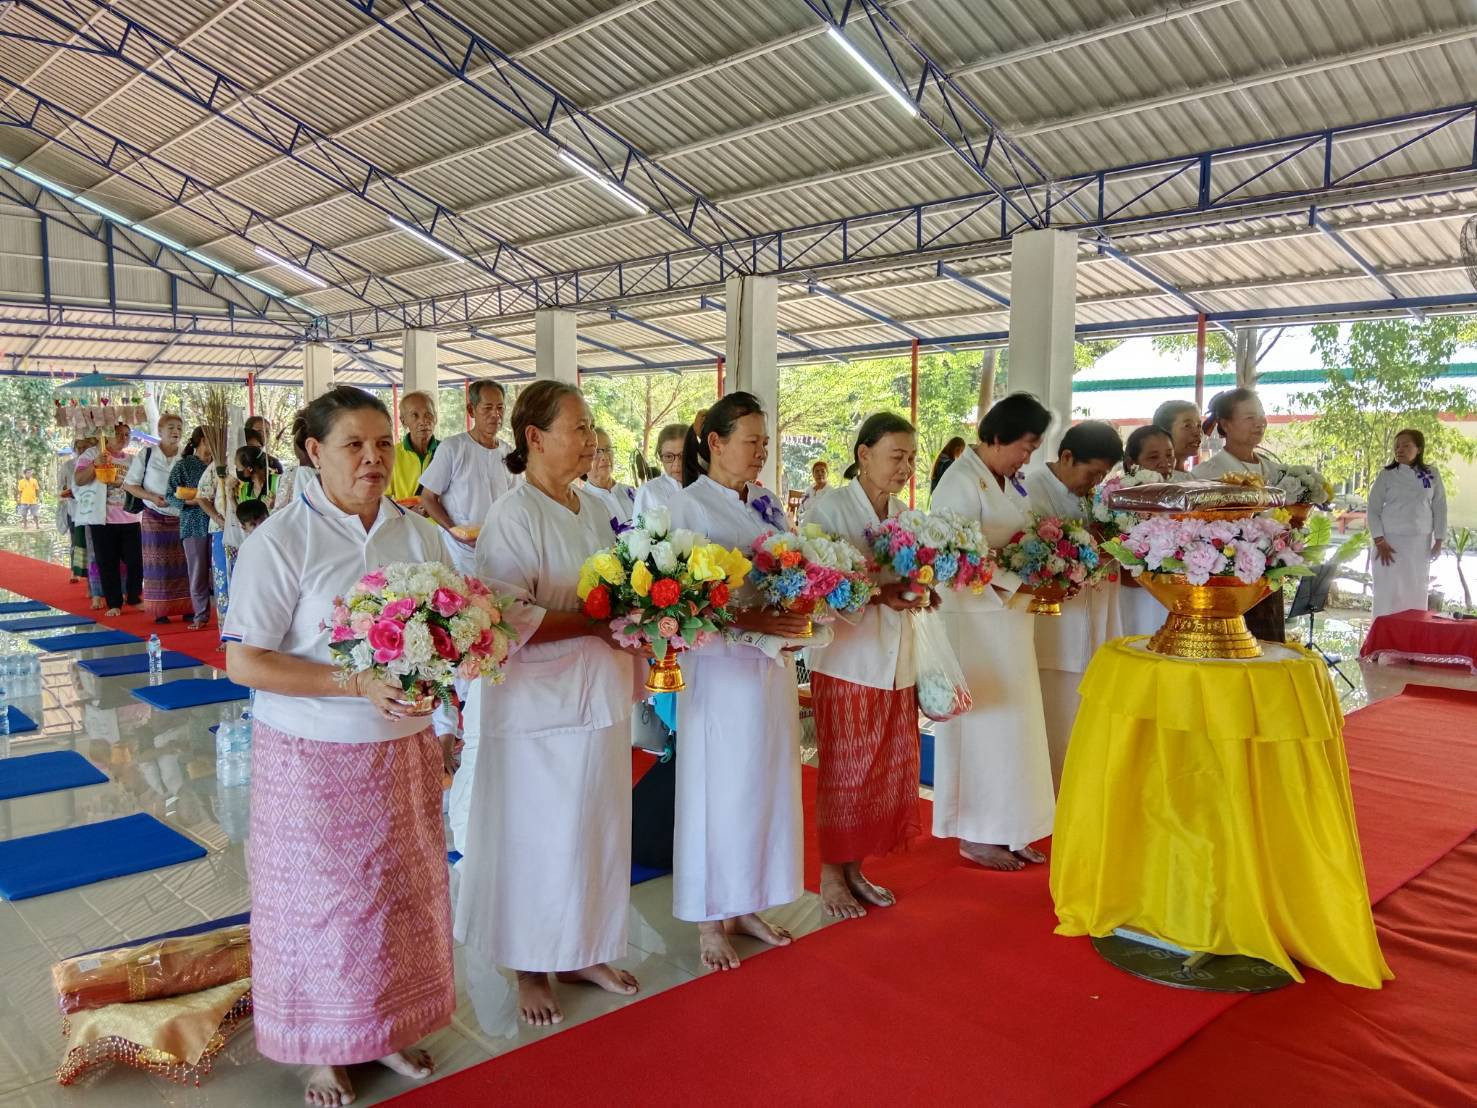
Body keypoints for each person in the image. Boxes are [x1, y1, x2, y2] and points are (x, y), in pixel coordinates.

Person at [223, 386, 457, 1107]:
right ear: (314, 453)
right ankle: (323, 1050)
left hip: (404, 745)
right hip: (312, 752)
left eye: (383, 444)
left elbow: (442, 637)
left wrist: (447, 719)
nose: (373, 458)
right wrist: (352, 685)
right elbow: (245, 661)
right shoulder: (282, 541)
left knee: (398, 891)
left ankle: (385, 1027)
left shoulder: (415, 534)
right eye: (354, 444)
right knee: (324, 902)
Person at [454, 380, 641, 1027]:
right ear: (533, 437)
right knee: (539, 838)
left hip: (600, 691)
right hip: (536, 707)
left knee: (596, 827)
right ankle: (530, 966)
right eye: (578, 429)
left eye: (591, 429)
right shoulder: (512, 515)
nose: (589, 441)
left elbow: (628, 574)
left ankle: (583, 948)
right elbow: (507, 617)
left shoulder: (597, 505)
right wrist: (592, 620)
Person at [669, 392, 810, 971]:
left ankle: (748, 901)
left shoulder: (767, 503)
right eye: (750, 441)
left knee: (765, 784)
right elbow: (675, 601)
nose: (761, 452)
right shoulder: (688, 508)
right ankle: (709, 917)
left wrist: (803, 609)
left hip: (770, 667)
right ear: (716, 443)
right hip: (720, 670)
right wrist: (751, 618)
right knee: (717, 790)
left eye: (765, 442)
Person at [806, 413, 928, 918]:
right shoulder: (828, 508)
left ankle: (855, 865)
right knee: (845, 770)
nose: (904, 467)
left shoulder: (904, 513)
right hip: (847, 660)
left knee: (882, 769)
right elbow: (817, 586)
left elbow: (910, 576)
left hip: (895, 658)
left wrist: (924, 588)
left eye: (910, 458)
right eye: (896, 456)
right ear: (864, 455)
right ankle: (831, 872)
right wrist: (882, 594)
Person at [930, 393, 1054, 871]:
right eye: (1025, 445)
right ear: (998, 436)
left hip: (1010, 617)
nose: (1028, 457)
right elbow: (957, 556)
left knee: (1017, 726)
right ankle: (977, 832)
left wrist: (1045, 569)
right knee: (985, 727)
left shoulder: (1009, 482)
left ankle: (1012, 826)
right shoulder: (961, 481)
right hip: (974, 620)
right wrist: (1018, 581)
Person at [1024, 421, 1124, 789]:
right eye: (1092, 472)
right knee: (1055, 722)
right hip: (1055, 632)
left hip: (1093, 622)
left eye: (1103, 475)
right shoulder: (1032, 491)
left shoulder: (1088, 496)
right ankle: (1050, 805)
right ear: (1066, 457)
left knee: (1083, 724)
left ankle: (1077, 795)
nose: (1095, 482)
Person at [1192, 389, 1286, 641]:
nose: (1260, 423)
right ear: (1226, 424)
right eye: (1249, 417)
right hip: (1228, 582)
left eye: (1262, 416)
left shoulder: (1275, 469)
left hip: (1269, 578)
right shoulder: (1207, 473)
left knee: (1269, 650)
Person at [419, 380, 514, 573]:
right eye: (487, 408)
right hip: (459, 553)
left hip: (500, 551)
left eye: (500, 408)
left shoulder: (508, 452)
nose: (495, 415)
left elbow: (514, 502)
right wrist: (454, 531)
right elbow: (428, 498)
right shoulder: (452, 448)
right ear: (471, 410)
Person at [1367, 428, 1446, 617]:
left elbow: (1440, 507)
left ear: (1418, 449)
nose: (1399, 450)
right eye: (1396, 446)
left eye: (1405, 445)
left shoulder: (1431, 474)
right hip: (1388, 543)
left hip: (1419, 543)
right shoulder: (1386, 475)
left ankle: (1412, 638)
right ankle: (1382, 640)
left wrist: (1439, 540)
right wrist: (1380, 541)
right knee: (1387, 593)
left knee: (1415, 591)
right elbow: (1373, 509)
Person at [123, 414, 190, 624]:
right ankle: (161, 611)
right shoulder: (148, 453)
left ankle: (189, 607)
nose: (175, 431)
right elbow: (129, 484)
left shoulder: (187, 456)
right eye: (170, 427)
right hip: (154, 514)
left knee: (186, 563)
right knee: (157, 565)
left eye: (179, 427)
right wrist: (152, 497)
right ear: (159, 431)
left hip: (182, 515)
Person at [1117, 425, 1178, 639]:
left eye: (1170, 455)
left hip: (1172, 597)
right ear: (1131, 462)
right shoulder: (1119, 502)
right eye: (1154, 457)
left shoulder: (1182, 497)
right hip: (1133, 596)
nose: (1165, 463)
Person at [75, 423, 142, 617]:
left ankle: (134, 596)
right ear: (106, 437)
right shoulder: (91, 455)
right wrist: (95, 464)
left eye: (127, 434)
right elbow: (79, 480)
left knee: (135, 560)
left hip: (130, 517)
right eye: (118, 434)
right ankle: (114, 603)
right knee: (107, 562)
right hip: (101, 519)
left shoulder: (132, 459)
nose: (123, 438)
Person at [166, 427, 215, 631]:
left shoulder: (221, 464)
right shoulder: (183, 466)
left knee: (221, 571)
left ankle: (227, 615)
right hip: (193, 523)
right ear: (203, 440)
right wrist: (194, 502)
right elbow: (170, 495)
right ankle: (201, 615)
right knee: (198, 572)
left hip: (218, 523)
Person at [582, 427, 637, 529]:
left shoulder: (631, 493)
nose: (605, 457)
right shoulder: (582, 503)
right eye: (597, 451)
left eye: (608, 450)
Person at [632, 422, 688, 521]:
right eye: (668, 456)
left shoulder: (707, 486)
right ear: (660, 456)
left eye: (683, 456)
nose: (676, 464)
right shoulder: (648, 492)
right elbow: (639, 533)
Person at [390, 390, 439, 502]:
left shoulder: (447, 451)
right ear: (403, 421)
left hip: (440, 519)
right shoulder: (392, 455)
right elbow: (382, 500)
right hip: (408, 519)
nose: (423, 421)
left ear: (435, 418)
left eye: (428, 414)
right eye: (415, 415)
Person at [56, 446, 85, 581]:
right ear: (75, 448)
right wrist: (67, 492)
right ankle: (74, 571)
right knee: (75, 541)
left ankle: (92, 574)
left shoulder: (94, 463)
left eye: (86, 446)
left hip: (92, 509)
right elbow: (61, 488)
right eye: (79, 446)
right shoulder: (68, 465)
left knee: (92, 543)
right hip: (73, 509)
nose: (82, 449)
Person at [1153, 399, 1203, 474]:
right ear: (1164, 432)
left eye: (1199, 425)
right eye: (1187, 426)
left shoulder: (1192, 478)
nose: (1198, 432)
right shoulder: (1154, 480)